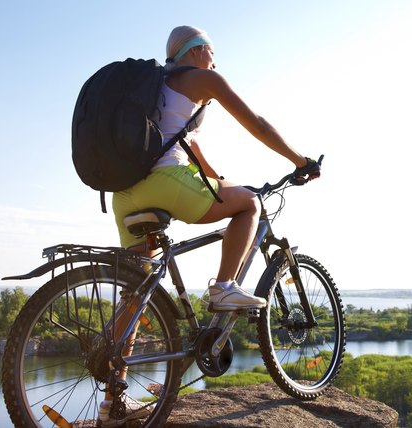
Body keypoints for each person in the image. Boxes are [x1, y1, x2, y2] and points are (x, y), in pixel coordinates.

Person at [100, 25, 320, 426]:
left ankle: (112, 404)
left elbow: (192, 150)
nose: (216, 60)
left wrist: (222, 183)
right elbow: (256, 122)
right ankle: (222, 289)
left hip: (124, 194)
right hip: (165, 183)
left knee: (136, 293)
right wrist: (299, 160)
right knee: (250, 204)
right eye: (212, 51)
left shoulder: (157, 89)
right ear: (196, 50)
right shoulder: (203, 79)